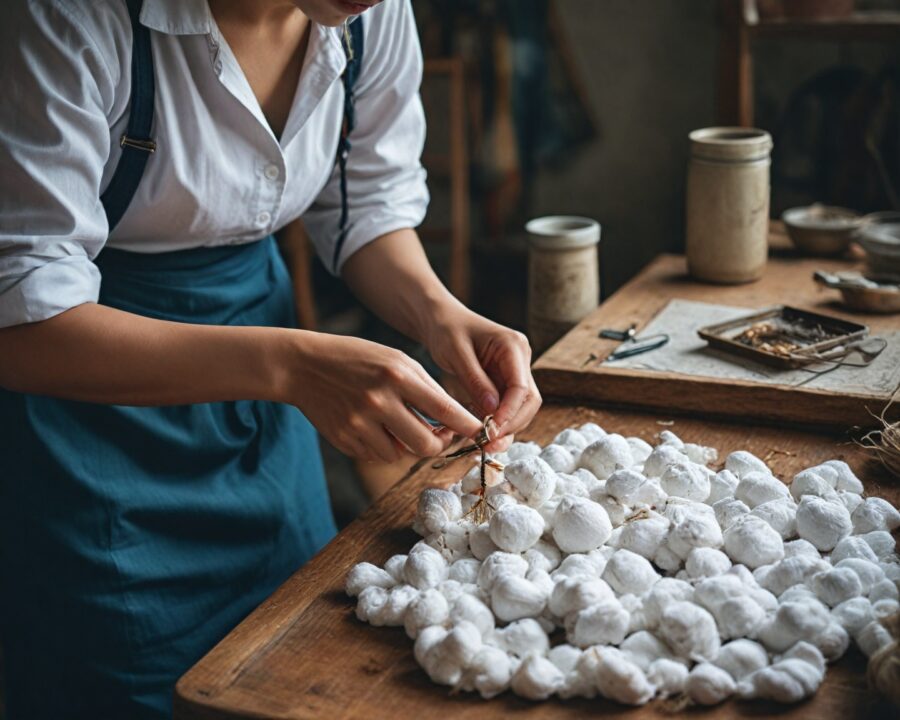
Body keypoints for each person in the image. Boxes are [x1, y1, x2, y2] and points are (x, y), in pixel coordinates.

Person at [0, 0, 541, 717]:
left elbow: (368, 203)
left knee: (286, 665)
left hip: (262, 404)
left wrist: (440, 317)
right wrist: (289, 368)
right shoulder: (68, 18)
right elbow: (22, 321)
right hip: (90, 413)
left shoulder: (365, 13)